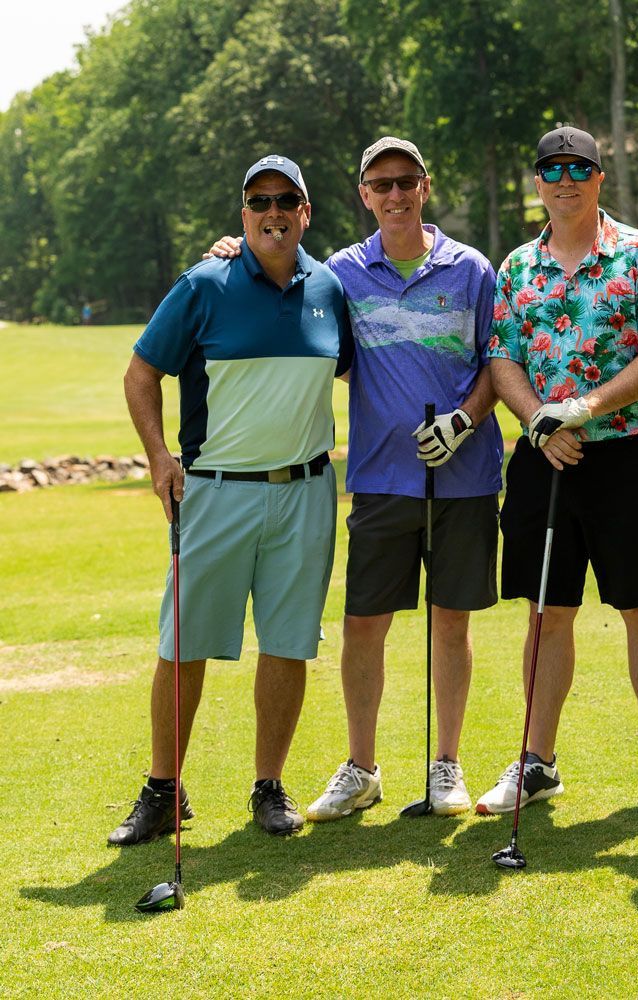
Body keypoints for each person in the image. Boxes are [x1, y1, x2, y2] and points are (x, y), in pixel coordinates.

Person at [207, 137, 502, 818]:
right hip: (380, 479)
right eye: (380, 185)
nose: (394, 195)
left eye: (405, 182)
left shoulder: (472, 270)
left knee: (450, 625)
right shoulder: (341, 274)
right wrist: (236, 251)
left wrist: (463, 418)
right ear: (363, 195)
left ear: (424, 186)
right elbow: (289, 292)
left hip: (465, 479)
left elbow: (499, 359)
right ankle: (362, 767)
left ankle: (447, 766)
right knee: (364, 626)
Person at [109, 154, 352, 846]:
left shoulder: (329, 289)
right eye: (259, 201)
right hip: (215, 491)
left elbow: (352, 368)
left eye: (286, 200)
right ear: (243, 214)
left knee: (288, 644)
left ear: (306, 211)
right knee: (183, 643)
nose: (273, 212)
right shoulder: (204, 284)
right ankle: (163, 789)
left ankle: (268, 786)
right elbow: (140, 373)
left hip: (305, 493)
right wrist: (159, 456)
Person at [480, 125, 638, 820]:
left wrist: (584, 408)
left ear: (599, 177)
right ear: (537, 183)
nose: (564, 179)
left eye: (578, 168)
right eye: (551, 169)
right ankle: (536, 763)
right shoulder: (517, 268)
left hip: (623, 456)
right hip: (546, 461)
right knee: (547, 617)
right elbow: (502, 357)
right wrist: (542, 418)